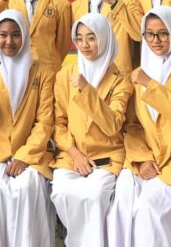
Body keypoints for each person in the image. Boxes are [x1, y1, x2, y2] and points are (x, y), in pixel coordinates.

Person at [107, 6, 171, 246]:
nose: (156, 40)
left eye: (163, 33)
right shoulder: (137, 76)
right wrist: (142, 159)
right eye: (150, 34)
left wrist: (150, 85)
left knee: (149, 209)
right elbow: (132, 126)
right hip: (145, 159)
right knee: (121, 204)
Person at [0, 9, 55, 247]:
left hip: (30, 154)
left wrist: (24, 156)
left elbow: (44, 122)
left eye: (15, 35)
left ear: (24, 35)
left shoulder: (42, 73)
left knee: (29, 188)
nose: (9, 41)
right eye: (3, 35)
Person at [51, 13, 133, 247]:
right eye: (79, 38)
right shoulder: (65, 75)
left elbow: (112, 125)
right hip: (72, 156)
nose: (84, 45)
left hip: (106, 156)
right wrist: (75, 154)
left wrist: (87, 90)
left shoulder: (121, 80)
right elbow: (58, 123)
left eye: (91, 38)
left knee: (95, 196)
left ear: (105, 38)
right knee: (62, 192)